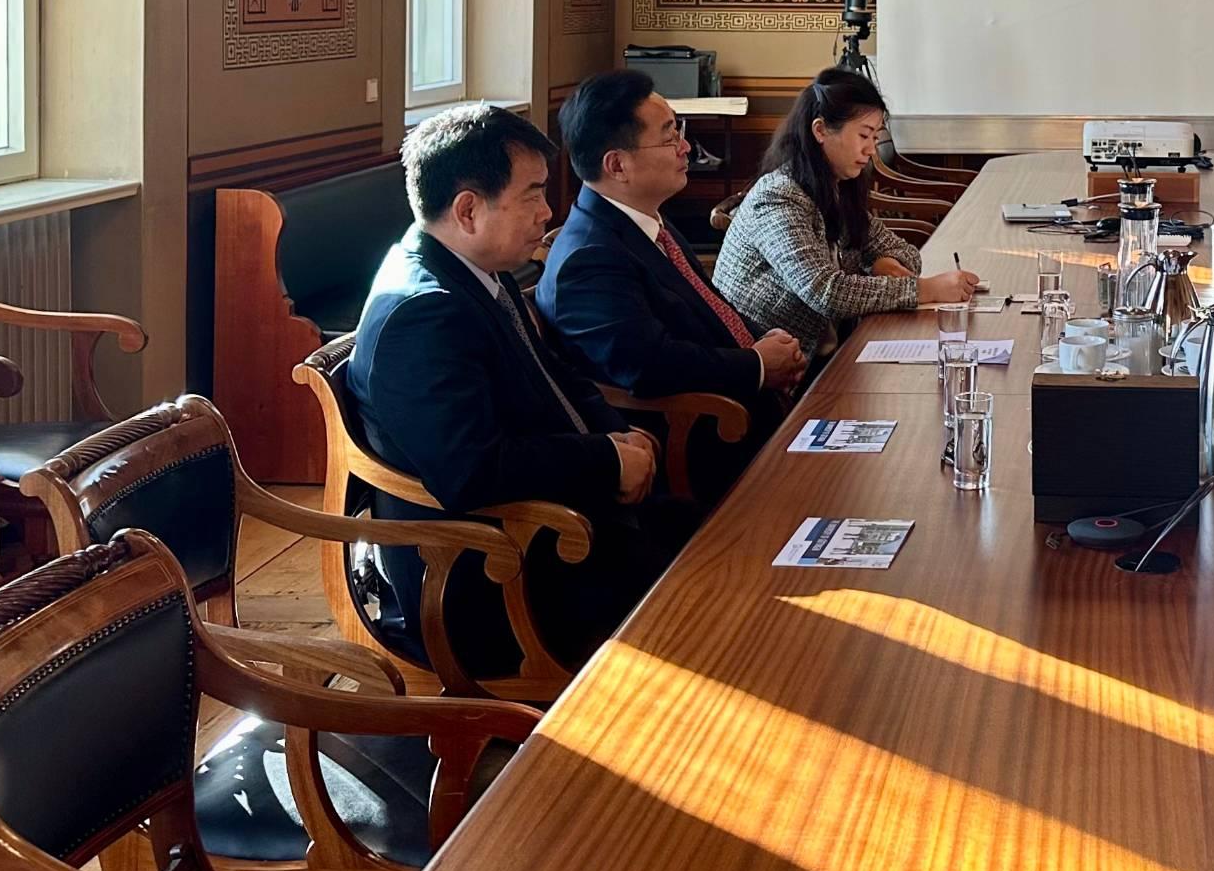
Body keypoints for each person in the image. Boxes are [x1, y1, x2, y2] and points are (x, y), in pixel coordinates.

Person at [347, 104, 687, 684]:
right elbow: (472, 471)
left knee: (718, 536)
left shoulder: (476, 267)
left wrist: (617, 434)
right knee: (707, 592)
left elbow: (557, 374)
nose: (548, 211)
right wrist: (607, 460)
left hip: (548, 525)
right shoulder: (422, 315)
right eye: (532, 194)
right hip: (487, 575)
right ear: (468, 210)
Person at [539, 70, 807, 500]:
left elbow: (708, 307)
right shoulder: (589, 258)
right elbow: (649, 365)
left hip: (750, 411)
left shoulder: (646, 221)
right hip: (702, 446)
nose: (685, 147)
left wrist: (768, 340)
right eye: (669, 137)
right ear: (617, 165)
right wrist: (757, 365)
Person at [714, 68, 981, 357]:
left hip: (832, 351)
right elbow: (825, 292)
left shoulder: (837, 187)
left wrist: (882, 263)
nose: (871, 150)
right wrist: (924, 290)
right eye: (864, 135)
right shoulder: (778, 197)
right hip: (769, 363)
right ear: (820, 131)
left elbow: (905, 252)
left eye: (875, 137)